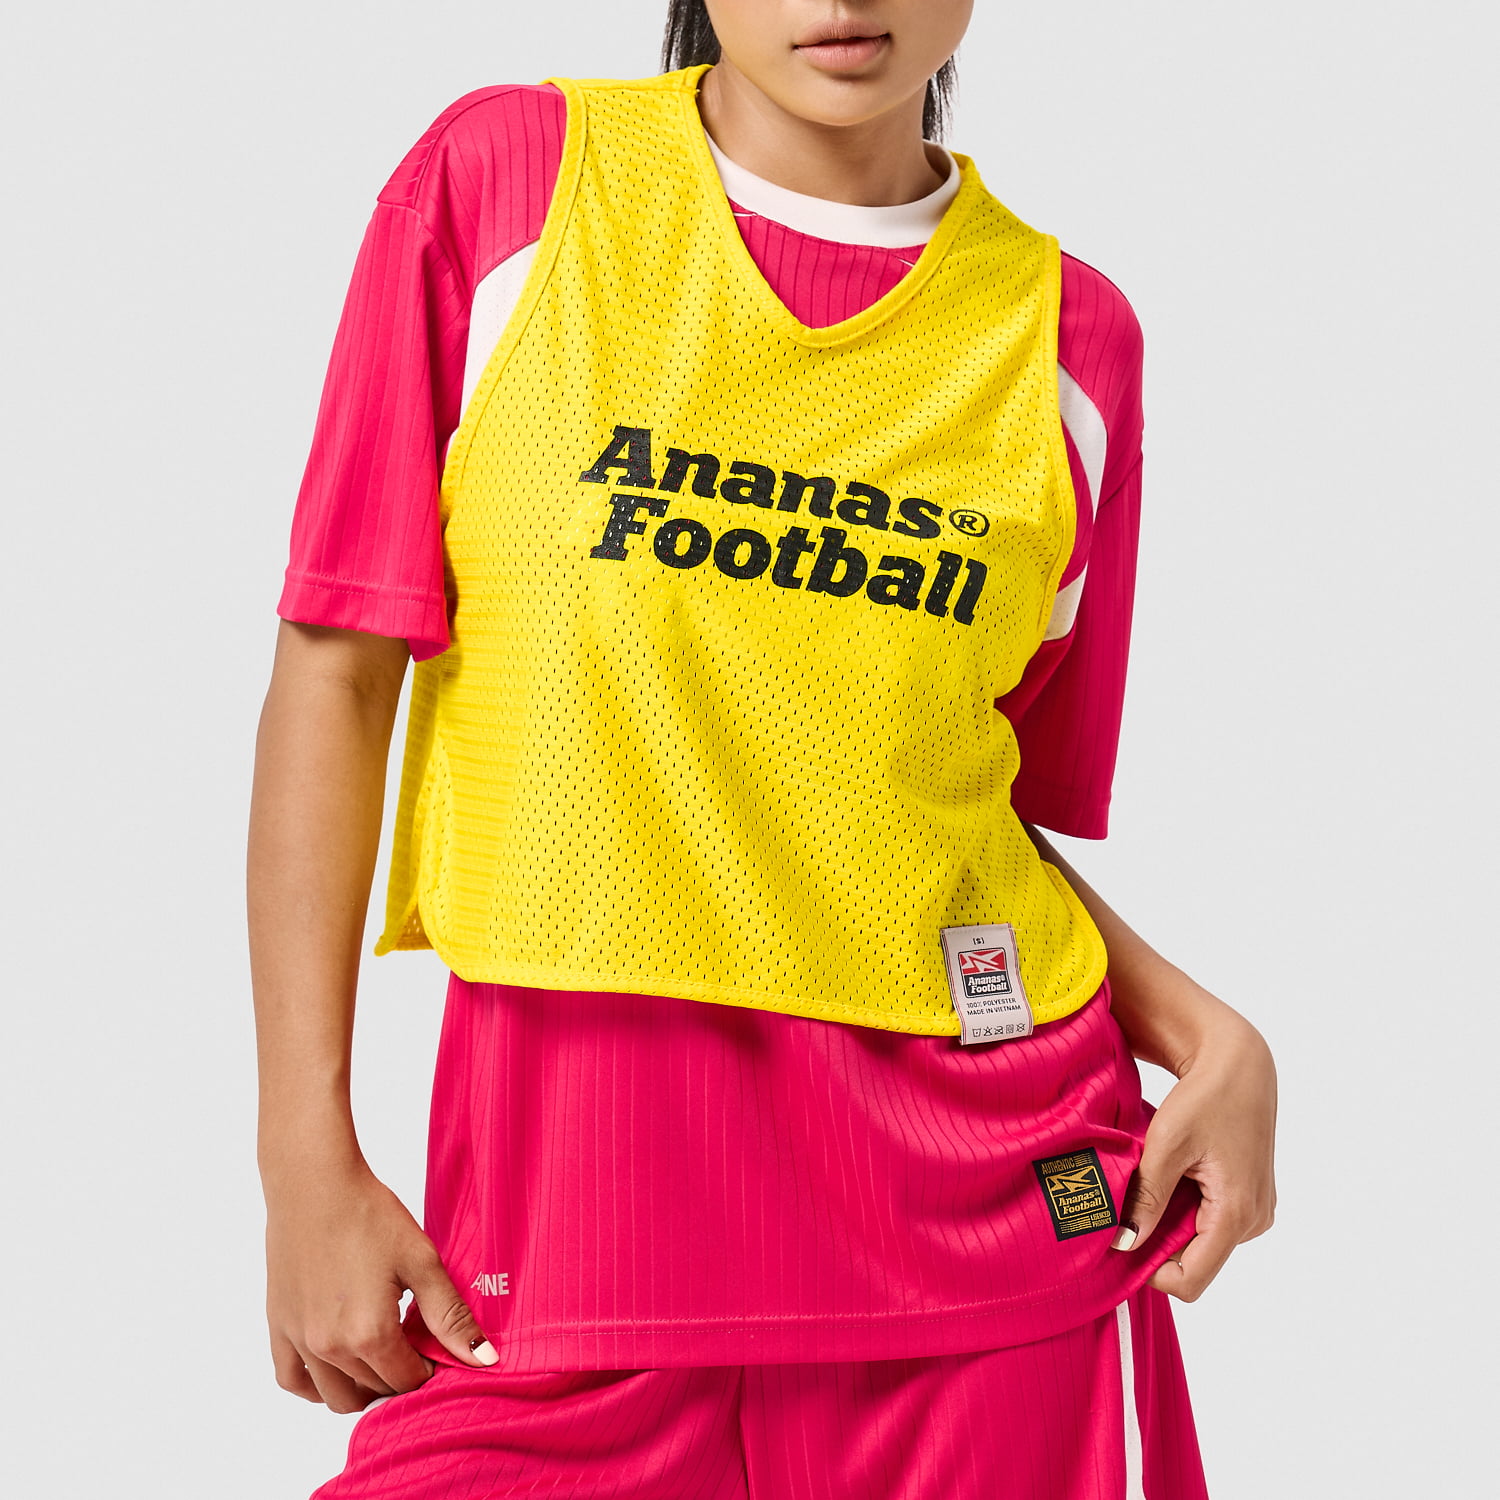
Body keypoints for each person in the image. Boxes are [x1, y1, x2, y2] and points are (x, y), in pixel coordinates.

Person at [248, 3, 1278, 1495]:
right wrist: (303, 1157)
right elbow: (335, 673)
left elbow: (926, 803)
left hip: (996, 1265)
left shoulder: (1071, 341)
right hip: (570, 1250)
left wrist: (1204, 1033)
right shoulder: (511, 188)